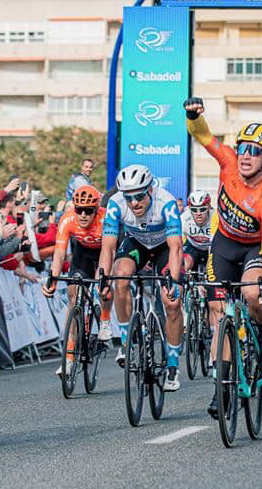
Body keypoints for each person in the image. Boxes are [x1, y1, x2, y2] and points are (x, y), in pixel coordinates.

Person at [184, 96, 262, 419]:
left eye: (255, 151)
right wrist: (194, 116)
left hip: (255, 248)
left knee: (253, 295)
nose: (246, 156)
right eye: (243, 147)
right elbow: (203, 136)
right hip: (224, 244)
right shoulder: (228, 162)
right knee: (218, 310)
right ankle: (221, 385)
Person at [97, 164, 184, 392]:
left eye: (139, 196)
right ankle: (126, 341)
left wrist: (173, 281)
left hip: (164, 246)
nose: (134, 203)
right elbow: (108, 247)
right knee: (120, 277)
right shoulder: (116, 204)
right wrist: (103, 279)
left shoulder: (166, 203)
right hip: (137, 244)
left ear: (150, 190)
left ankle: (173, 364)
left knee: (172, 302)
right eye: (129, 198)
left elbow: (176, 248)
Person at [45, 185, 108, 376]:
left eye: (88, 211)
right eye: (79, 209)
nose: (82, 215)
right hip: (83, 252)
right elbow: (59, 252)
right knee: (73, 296)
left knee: (104, 286)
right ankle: (70, 358)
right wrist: (53, 279)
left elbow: (109, 252)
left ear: (96, 210)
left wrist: (103, 278)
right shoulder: (67, 219)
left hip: (105, 250)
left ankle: (104, 321)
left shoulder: (106, 219)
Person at [181, 190, 213, 273]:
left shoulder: (216, 217)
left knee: (214, 269)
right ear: (189, 209)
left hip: (212, 247)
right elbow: (178, 243)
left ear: (209, 207)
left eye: (202, 209)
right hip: (193, 246)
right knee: (183, 263)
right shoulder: (184, 218)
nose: (198, 213)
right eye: (194, 210)